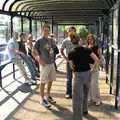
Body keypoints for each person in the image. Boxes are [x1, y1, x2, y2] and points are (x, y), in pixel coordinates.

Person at [67, 32, 99, 120]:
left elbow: (71, 66)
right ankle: (85, 110)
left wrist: (74, 70)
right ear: (79, 41)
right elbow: (97, 60)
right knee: (85, 94)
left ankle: (78, 116)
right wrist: (92, 70)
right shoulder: (87, 50)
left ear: (72, 42)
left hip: (78, 75)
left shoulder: (71, 53)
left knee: (77, 97)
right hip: (88, 73)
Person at [32, 24, 56, 108]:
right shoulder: (39, 40)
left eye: (48, 30)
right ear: (42, 30)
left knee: (50, 80)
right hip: (44, 64)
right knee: (43, 82)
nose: (47, 31)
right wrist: (39, 60)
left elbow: (53, 50)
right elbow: (33, 52)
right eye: (45, 30)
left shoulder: (51, 40)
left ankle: (48, 95)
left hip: (51, 63)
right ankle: (42, 99)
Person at [60, 26, 76, 99]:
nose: (72, 32)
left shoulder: (78, 40)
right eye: (70, 31)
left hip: (77, 61)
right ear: (68, 32)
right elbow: (61, 51)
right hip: (69, 61)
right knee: (69, 78)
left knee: (77, 77)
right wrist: (66, 59)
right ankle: (68, 93)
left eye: (73, 31)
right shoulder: (65, 41)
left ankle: (76, 92)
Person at [87, 34, 102, 106]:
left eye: (91, 39)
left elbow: (100, 57)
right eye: (89, 39)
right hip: (88, 67)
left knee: (94, 84)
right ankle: (91, 98)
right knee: (89, 84)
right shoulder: (87, 47)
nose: (90, 40)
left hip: (95, 67)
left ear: (94, 40)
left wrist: (96, 66)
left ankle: (98, 99)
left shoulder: (97, 47)